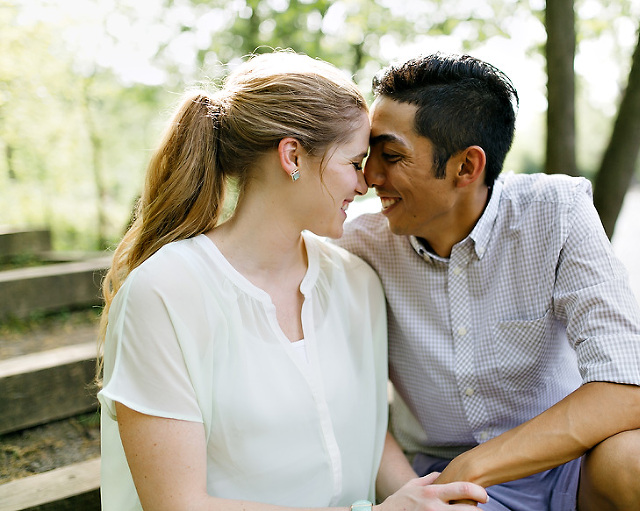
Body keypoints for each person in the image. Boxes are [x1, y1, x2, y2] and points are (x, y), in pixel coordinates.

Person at [96, 51, 487, 511]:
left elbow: (365, 433)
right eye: (354, 162)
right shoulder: (165, 293)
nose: (365, 184)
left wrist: (421, 499)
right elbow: (177, 504)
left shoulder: (355, 282)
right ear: (292, 156)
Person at [338, 53, 640, 510]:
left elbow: (633, 389)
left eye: (391, 156)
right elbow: (350, 402)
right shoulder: (357, 247)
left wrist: (476, 465)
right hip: (439, 479)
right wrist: (429, 492)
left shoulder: (557, 211)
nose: (369, 178)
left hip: (567, 466)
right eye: (369, 155)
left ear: (467, 167)